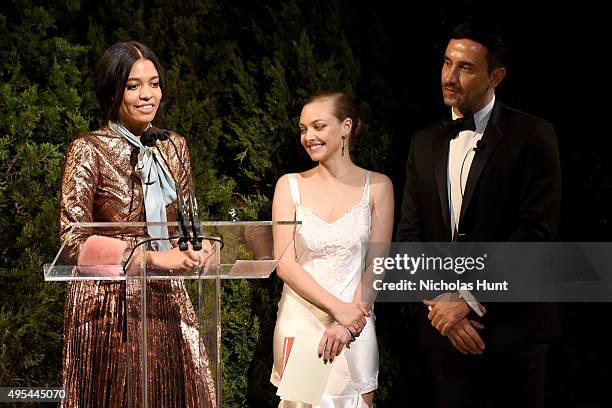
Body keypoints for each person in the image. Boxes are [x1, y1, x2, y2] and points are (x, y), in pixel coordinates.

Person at [396, 22, 561, 407]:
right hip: (444, 335)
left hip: (515, 333)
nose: (449, 77)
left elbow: (535, 234)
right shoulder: (423, 142)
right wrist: (442, 304)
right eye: (446, 63)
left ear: (496, 76)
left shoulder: (534, 134)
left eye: (466, 67)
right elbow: (409, 235)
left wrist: (468, 298)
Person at [58, 41, 215, 407]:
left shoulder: (174, 147)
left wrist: (199, 246)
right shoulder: (88, 149)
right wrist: (152, 260)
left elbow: (183, 225)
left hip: (164, 296)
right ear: (113, 90)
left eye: (154, 83)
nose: (147, 95)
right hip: (106, 305)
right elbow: (72, 240)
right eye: (133, 86)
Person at [270, 91, 394, 407]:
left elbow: (378, 262)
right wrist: (336, 310)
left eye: (318, 126)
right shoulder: (290, 185)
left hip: (356, 320)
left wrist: (349, 320)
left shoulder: (378, 185)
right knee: (304, 403)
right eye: (303, 129)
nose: (308, 136)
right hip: (302, 321)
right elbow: (285, 263)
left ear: (346, 127)